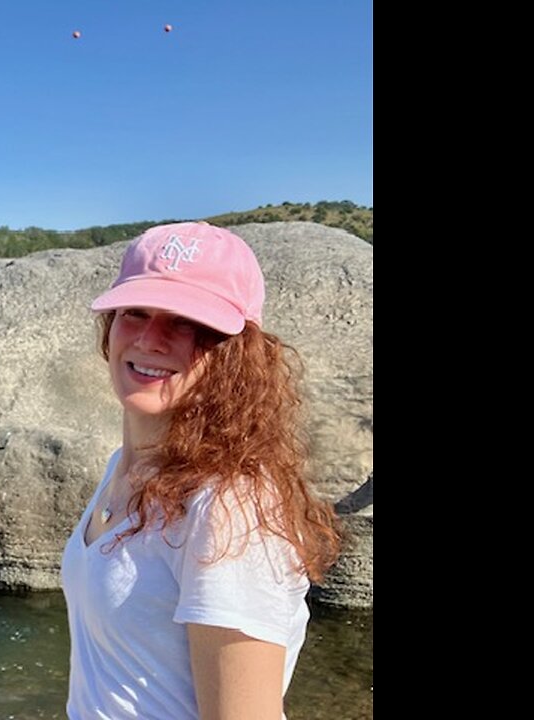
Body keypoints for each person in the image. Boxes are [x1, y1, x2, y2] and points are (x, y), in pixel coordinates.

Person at [61, 222, 341, 719]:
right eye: (135, 312)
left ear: (234, 353)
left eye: (186, 323)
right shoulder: (122, 467)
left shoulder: (230, 507)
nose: (150, 338)